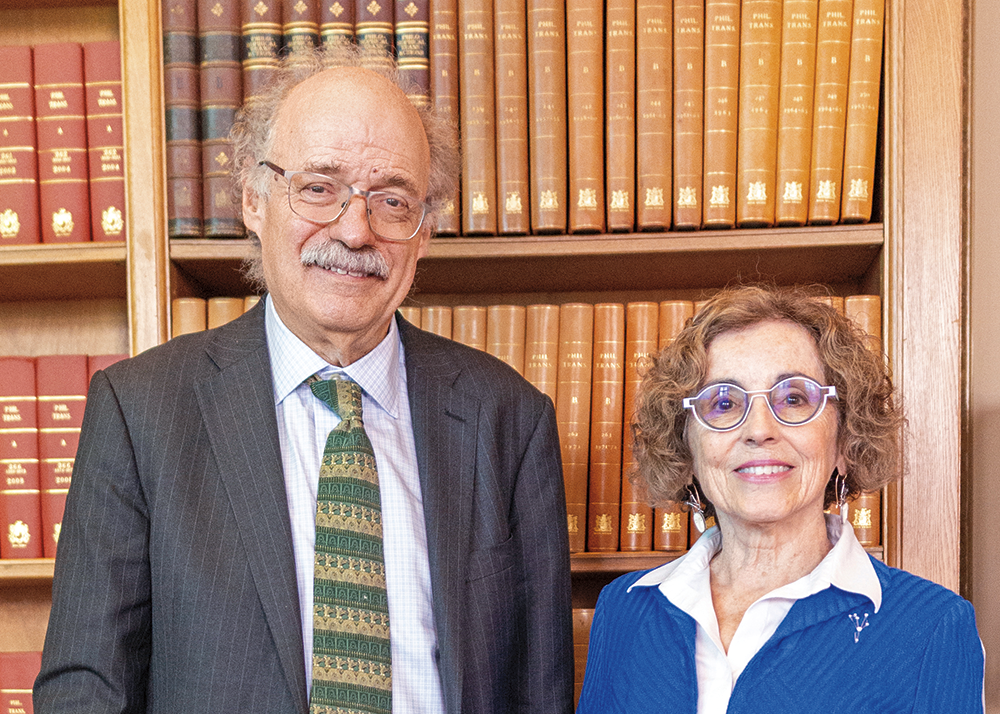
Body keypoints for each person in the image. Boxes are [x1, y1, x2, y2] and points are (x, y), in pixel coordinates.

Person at [35, 47, 574, 714]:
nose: (355, 230)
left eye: (392, 199)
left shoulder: (510, 420)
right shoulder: (141, 412)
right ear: (254, 201)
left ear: (424, 231)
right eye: (319, 187)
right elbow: (86, 690)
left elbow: (540, 691)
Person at [576, 285, 984, 713]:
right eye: (724, 402)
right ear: (687, 449)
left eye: (793, 398)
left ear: (845, 439)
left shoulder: (931, 626)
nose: (758, 429)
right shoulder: (624, 609)